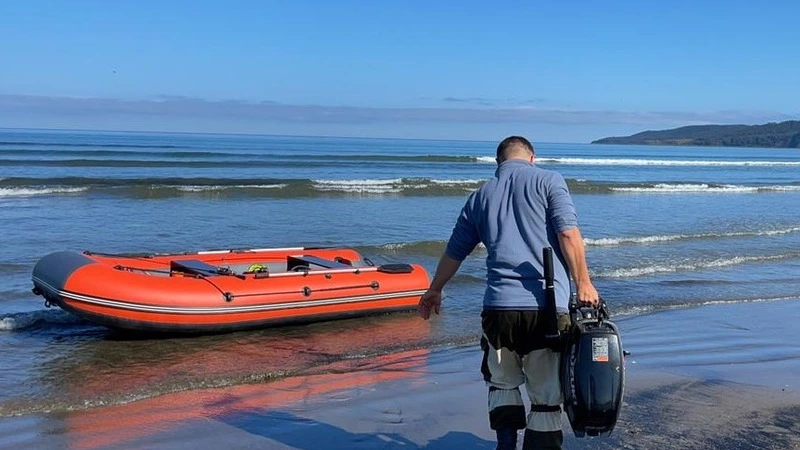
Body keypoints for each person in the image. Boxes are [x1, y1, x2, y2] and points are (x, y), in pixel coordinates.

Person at [418, 136, 599, 450]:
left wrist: (435, 289)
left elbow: (454, 252)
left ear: (498, 162)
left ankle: (505, 446)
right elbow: (568, 233)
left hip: (498, 310)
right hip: (546, 308)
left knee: (502, 383)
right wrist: (584, 281)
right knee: (545, 395)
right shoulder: (549, 181)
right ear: (532, 158)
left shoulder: (480, 196)